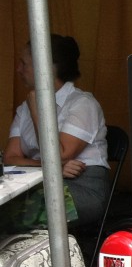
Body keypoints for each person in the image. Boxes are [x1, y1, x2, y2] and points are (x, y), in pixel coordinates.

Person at [4, 34, 110, 225]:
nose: (18, 69)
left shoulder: (83, 103)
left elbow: (60, 155)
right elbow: (10, 159)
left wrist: (38, 111)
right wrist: (49, 168)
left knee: (9, 215)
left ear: (44, 66)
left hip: (81, 189)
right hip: (39, 184)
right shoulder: (24, 108)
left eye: (24, 64)